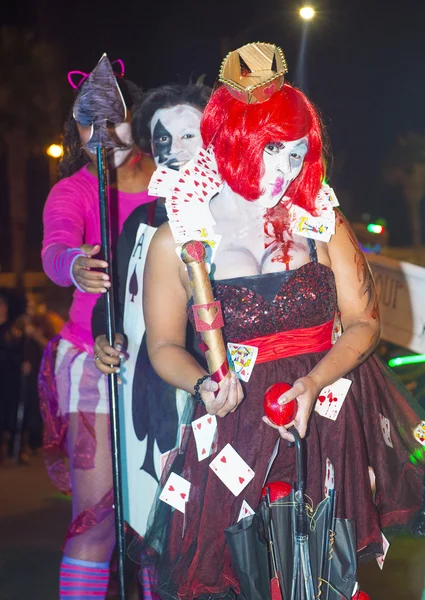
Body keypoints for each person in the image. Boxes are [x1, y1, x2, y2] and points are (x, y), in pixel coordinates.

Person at [137, 43, 425, 600]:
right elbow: (165, 346)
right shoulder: (178, 237)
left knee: (320, 576)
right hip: (233, 419)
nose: (285, 170)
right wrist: (202, 383)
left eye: (296, 155)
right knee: (238, 575)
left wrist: (314, 385)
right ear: (232, 140)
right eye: (271, 151)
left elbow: (364, 322)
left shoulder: (318, 217)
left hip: (325, 412)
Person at [38, 55, 156, 600]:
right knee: (100, 520)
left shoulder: (175, 184)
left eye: (115, 119)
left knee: (166, 524)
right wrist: (75, 267)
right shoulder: (75, 191)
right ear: (77, 131)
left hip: (169, 362)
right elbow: (57, 248)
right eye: (91, 123)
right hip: (95, 361)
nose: (104, 133)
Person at [91, 83, 211, 546]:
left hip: (221, 394)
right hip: (152, 399)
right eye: (164, 139)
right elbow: (114, 303)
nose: (175, 150)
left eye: (189, 136)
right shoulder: (140, 224)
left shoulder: (234, 218)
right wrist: (107, 338)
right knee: (157, 530)